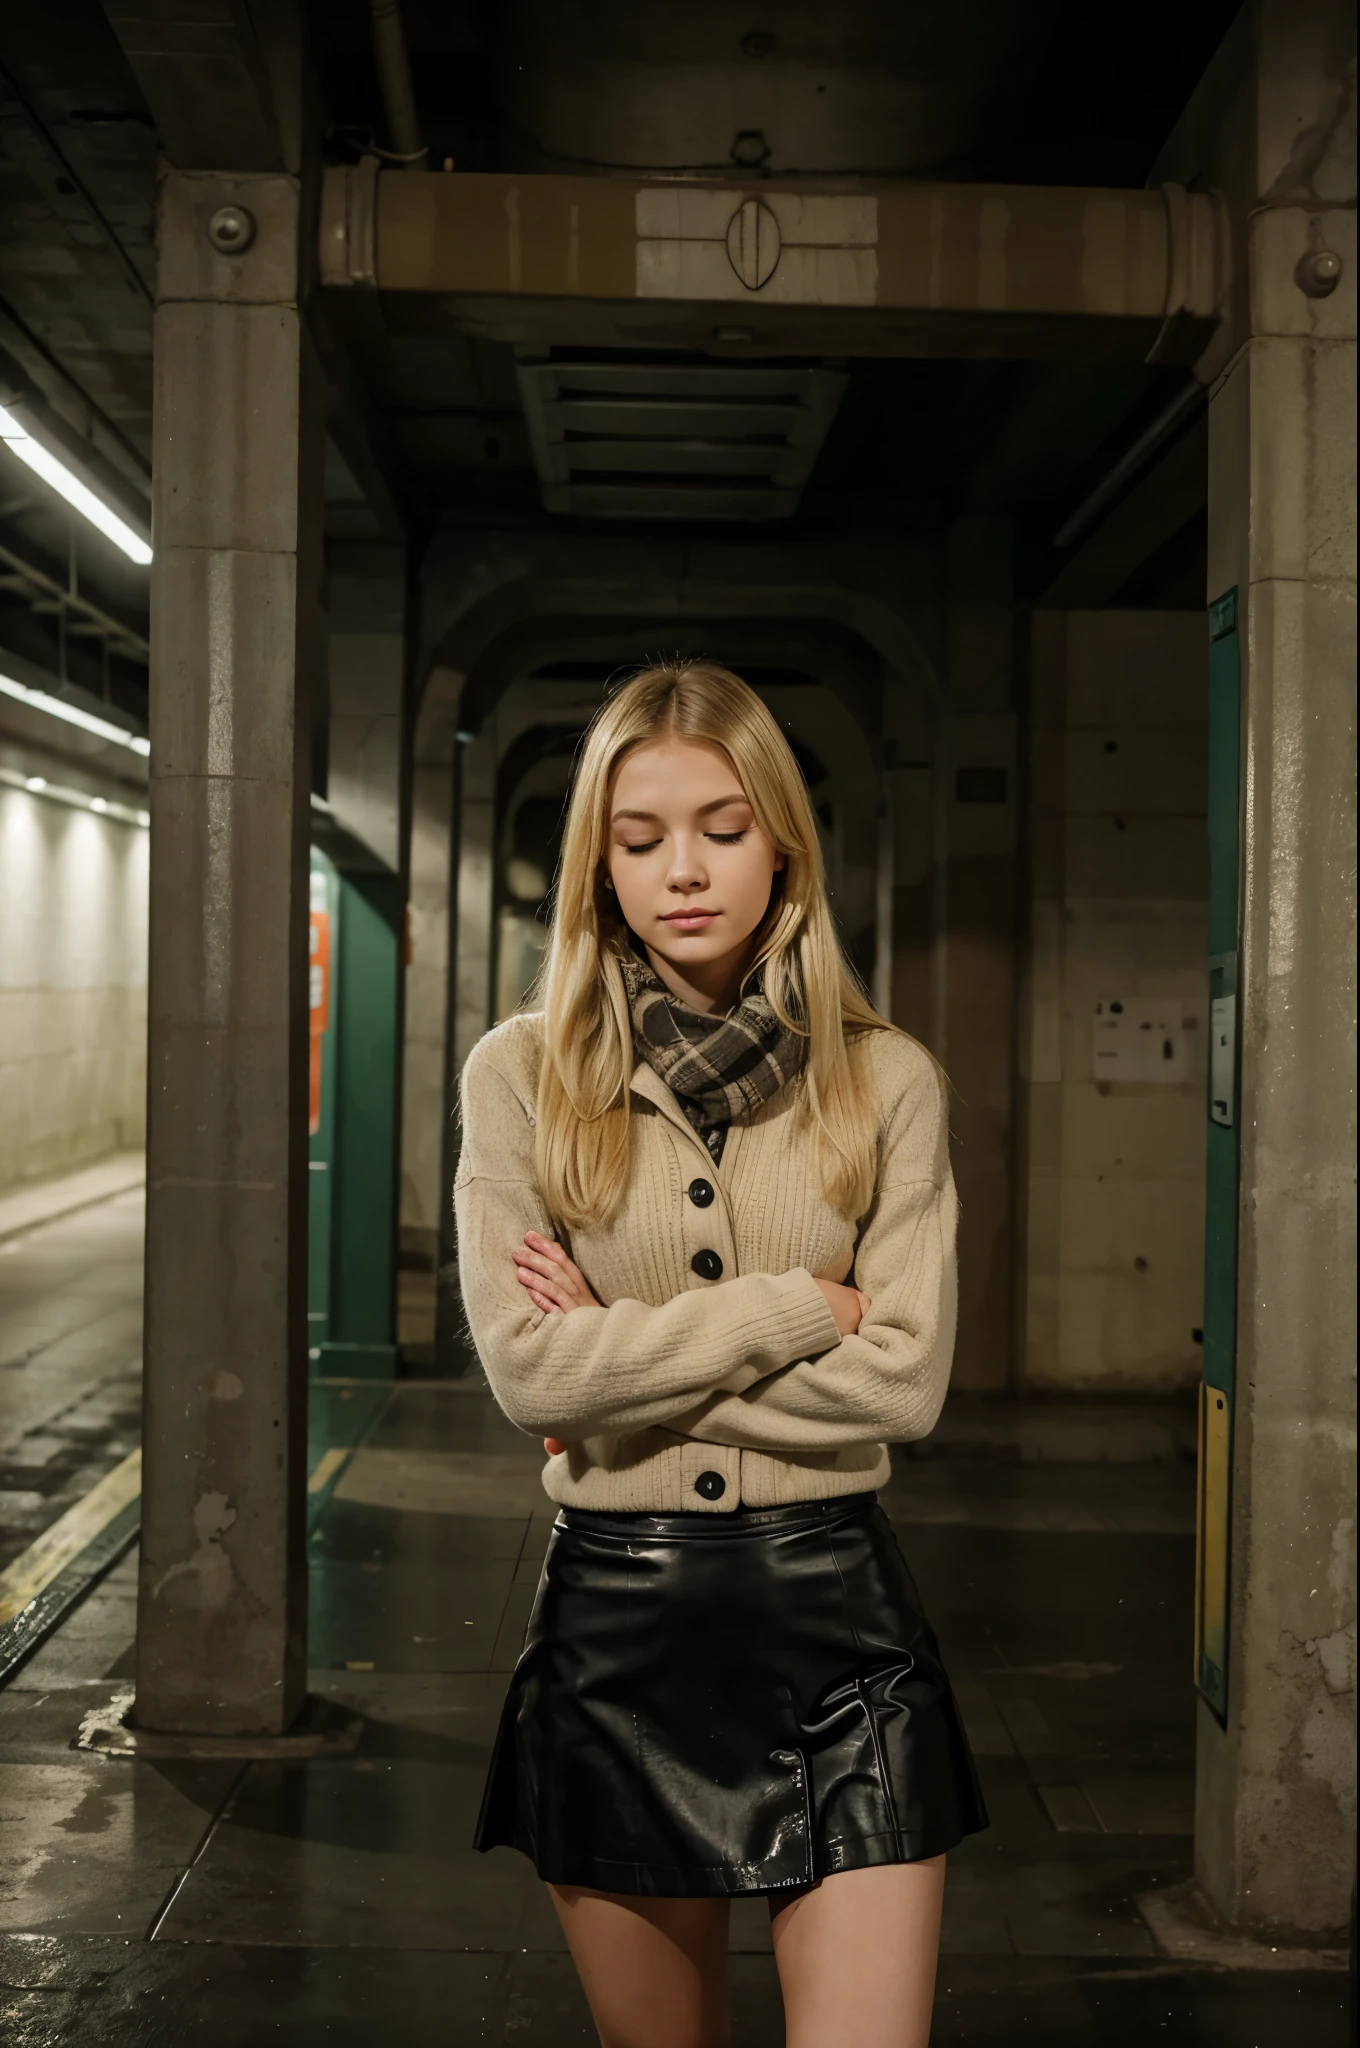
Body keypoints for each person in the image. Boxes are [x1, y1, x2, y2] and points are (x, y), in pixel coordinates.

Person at [454, 661, 988, 2048]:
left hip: (841, 1633)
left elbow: (909, 1380)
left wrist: (619, 1362)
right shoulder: (518, 1079)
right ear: (599, 864)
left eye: (723, 827)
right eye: (640, 840)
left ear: (783, 846)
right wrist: (802, 1311)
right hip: (614, 1639)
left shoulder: (890, 1080)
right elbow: (530, 1377)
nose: (681, 869)